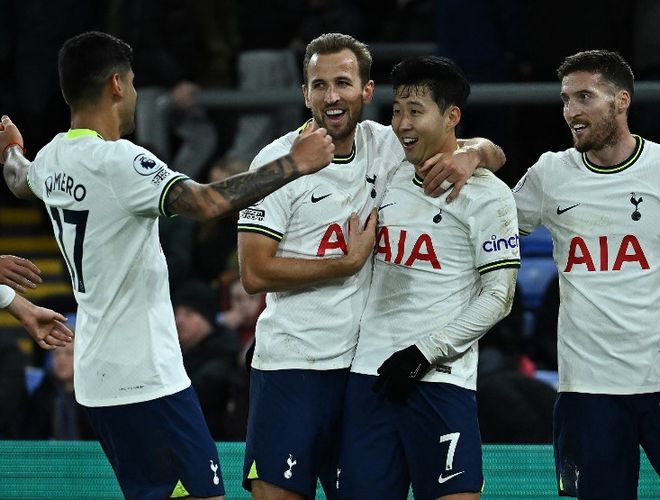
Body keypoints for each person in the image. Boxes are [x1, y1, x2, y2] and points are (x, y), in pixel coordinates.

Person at [0, 30, 333, 500]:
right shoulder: (119, 161)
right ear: (116, 85)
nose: (135, 94)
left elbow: (18, 178)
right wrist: (292, 164)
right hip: (144, 377)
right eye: (133, 83)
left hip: (98, 377)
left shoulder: (53, 157)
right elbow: (205, 201)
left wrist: (11, 150)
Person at [237, 33, 505, 499]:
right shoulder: (278, 162)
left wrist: (474, 153)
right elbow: (254, 273)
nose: (330, 96)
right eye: (318, 85)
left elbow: (478, 146)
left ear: (365, 90)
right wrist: (347, 262)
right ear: (305, 94)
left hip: (362, 372)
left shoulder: (386, 146)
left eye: (342, 82)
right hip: (294, 364)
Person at [512, 49, 660, 499]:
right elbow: (489, 224)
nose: (571, 111)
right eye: (566, 100)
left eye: (584, 97)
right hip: (587, 391)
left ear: (621, 101)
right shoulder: (551, 173)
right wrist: (478, 152)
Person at [337, 55, 520, 499]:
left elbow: (499, 297)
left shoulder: (488, 195)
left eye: (415, 111)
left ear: (451, 116)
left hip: (441, 380)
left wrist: (425, 352)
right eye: (397, 111)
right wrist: (478, 149)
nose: (402, 123)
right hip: (369, 376)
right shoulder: (387, 173)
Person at [173, 280, 240, 441]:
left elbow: (204, 386)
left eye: (189, 313)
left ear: (207, 318)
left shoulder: (225, 351)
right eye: (177, 313)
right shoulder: (173, 352)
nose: (179, 320)